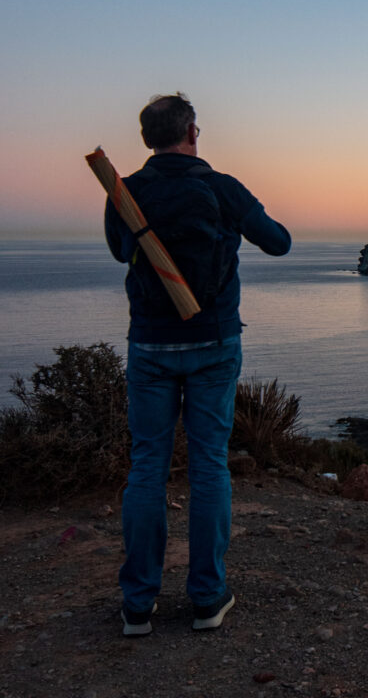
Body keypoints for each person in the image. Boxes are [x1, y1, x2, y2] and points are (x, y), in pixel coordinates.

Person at [104, 93, 291, 637]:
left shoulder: (125, 192)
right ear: (193, 131)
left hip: (150, 346)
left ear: (147, 139)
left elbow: (122, 252)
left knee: (147, 467)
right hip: (213, 343)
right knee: (209, 466)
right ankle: (207, 599)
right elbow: (279, 243)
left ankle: (137, 604)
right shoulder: (221, 187)